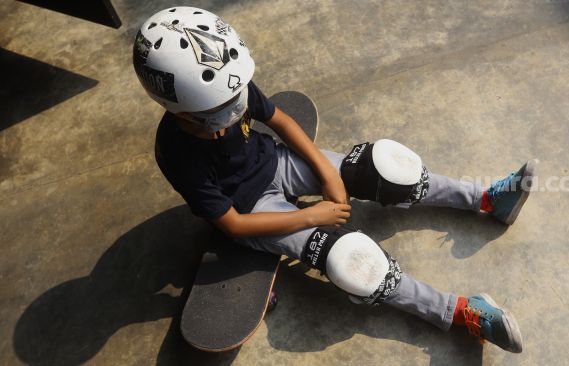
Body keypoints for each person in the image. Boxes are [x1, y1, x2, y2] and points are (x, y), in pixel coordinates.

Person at [133, 7, 536, 353]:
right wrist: (312, 217)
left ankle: (485, 198)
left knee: (385, 170)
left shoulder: (227, 80)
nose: (236, 109)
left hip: (275, 161)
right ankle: (459, 312)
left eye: (236, 100)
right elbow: (233, 224)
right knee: (354, 265)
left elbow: (281, 121)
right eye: (222, 109)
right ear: (181, 109)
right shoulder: (178, 153)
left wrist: (330, 172)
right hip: (250, 210)